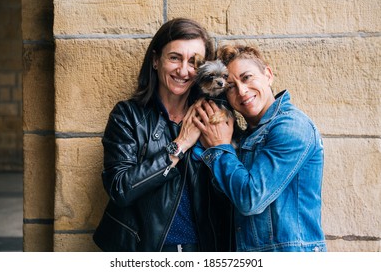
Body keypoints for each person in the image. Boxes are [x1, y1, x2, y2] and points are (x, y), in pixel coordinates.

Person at [93, 18, 233, 252]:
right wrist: (179, 145)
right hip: (145, 249)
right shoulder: (128, 116)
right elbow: (120, 189)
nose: (183, 70)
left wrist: (222, 147)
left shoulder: (215, 115)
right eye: (174, 57)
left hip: (203, 249)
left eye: (193, 62)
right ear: (156, 60)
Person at [193, 44, 327, 252]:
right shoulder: (245, 136)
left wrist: (220, 148)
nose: (241, 90)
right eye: (230, 86)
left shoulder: (291, 126)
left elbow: (250, 199)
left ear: (268, 75)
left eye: (247, 77)